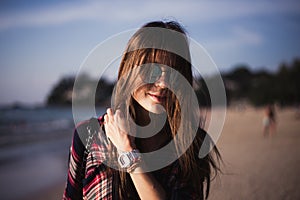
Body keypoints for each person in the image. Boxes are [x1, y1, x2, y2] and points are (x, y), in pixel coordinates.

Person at [63, 21, 221, 200]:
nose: (162, 84)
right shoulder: (89, 135)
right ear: (130, 69)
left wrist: (128, 153)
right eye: (153, 70)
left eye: (173, 72)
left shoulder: (191, 145)